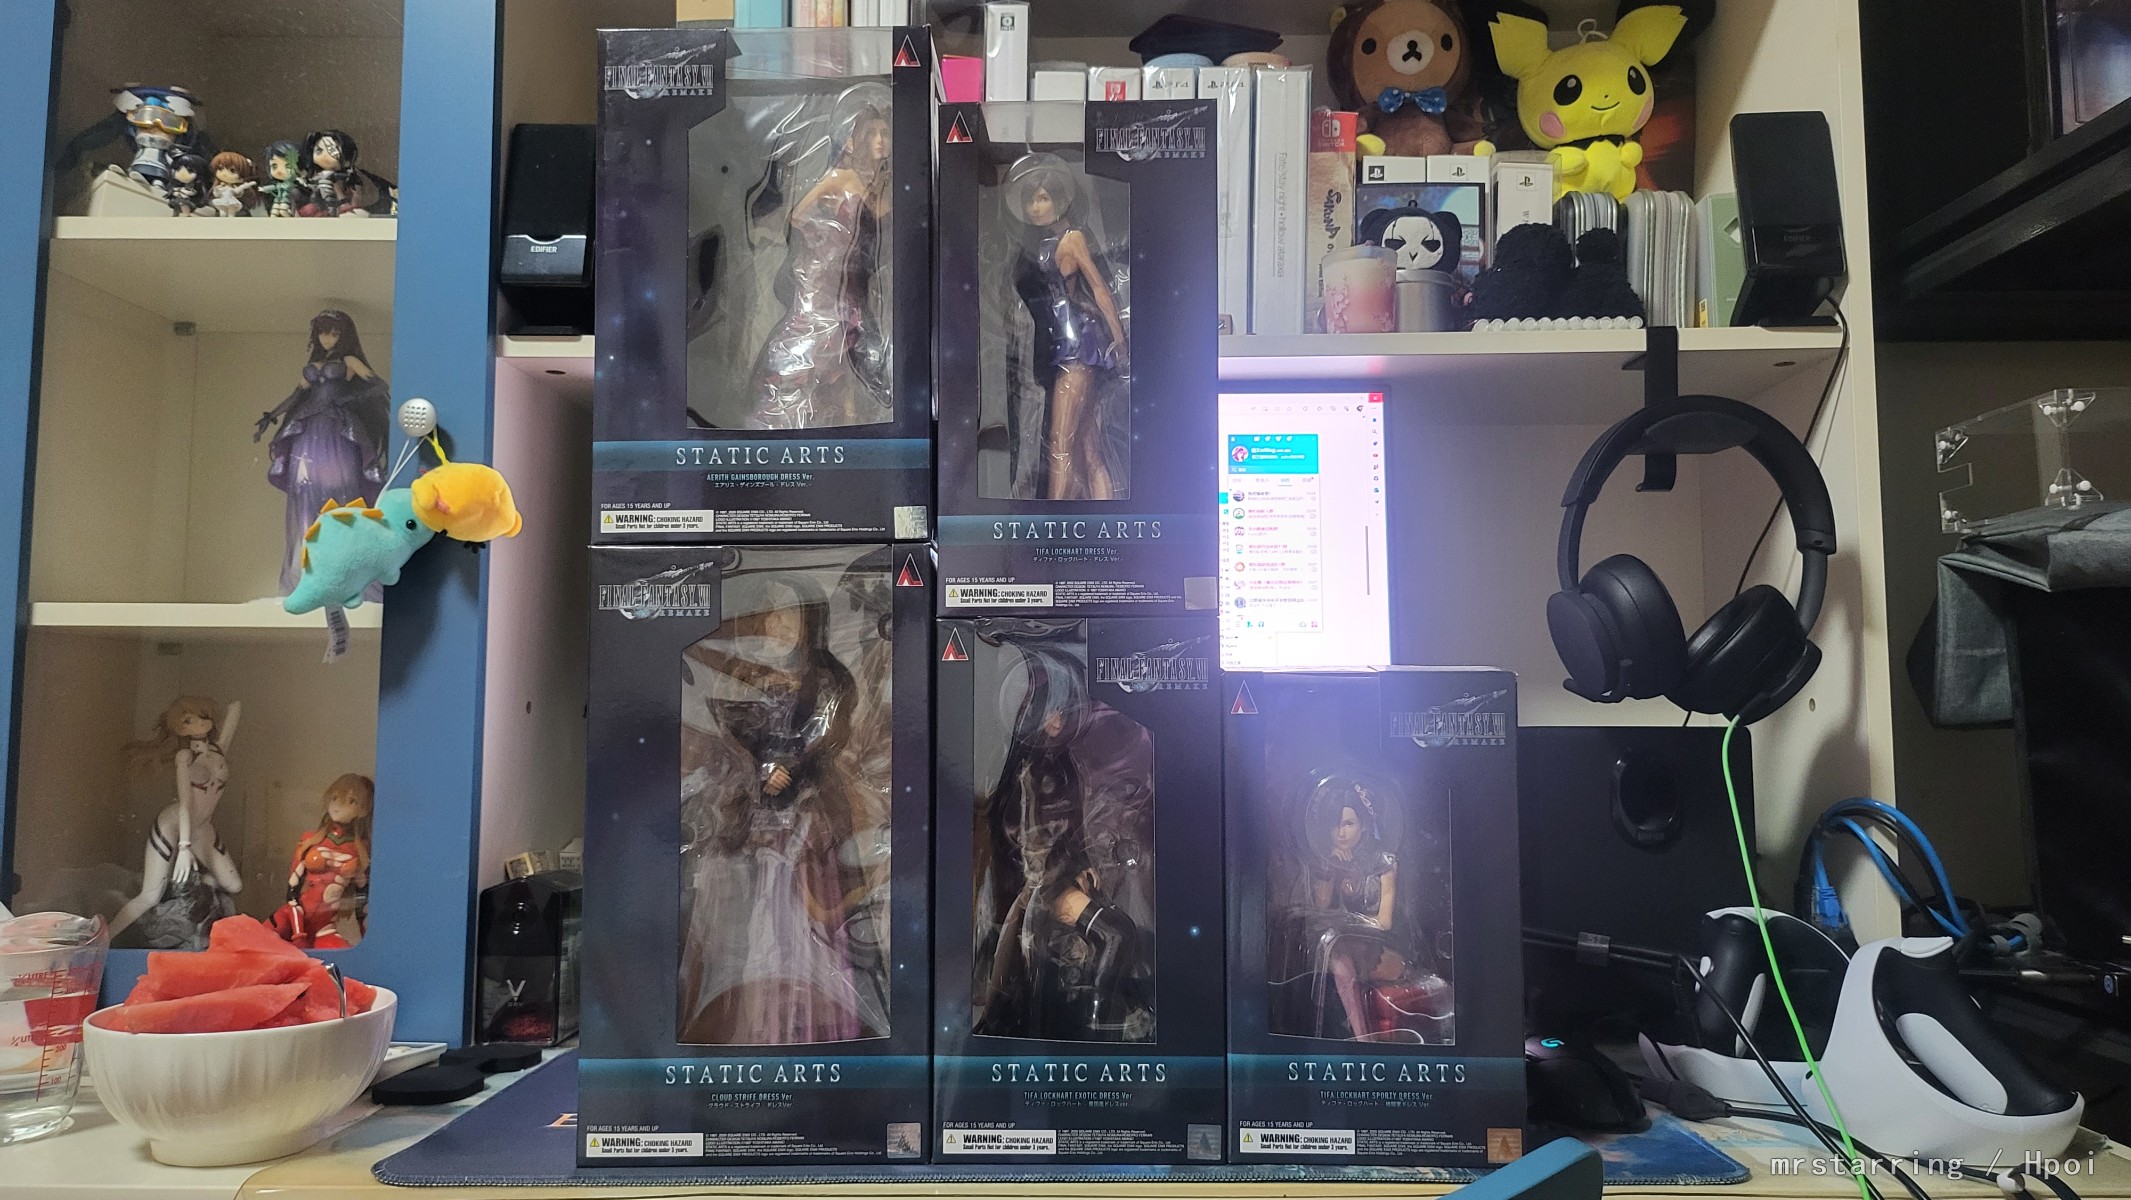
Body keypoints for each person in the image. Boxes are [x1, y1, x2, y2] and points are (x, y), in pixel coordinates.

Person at [677, 575, 888, 1045]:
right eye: (769, 615)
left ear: (808, 621)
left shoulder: (826, 679)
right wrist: (757, 769)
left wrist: (788, 765)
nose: (777, 624)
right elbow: (733, 738)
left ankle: (814, 1021)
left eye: (787, 614)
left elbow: (826, 736)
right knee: (750, 921)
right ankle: (750, 1019)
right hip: (755, 822)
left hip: (809, 820)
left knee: (804, 920)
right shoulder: (744, 678)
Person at [747, 95, 893, 429]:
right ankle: (785, 412)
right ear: (853, 140)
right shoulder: (839, 177)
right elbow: (798, 215)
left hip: (863, 278)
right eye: (872, 133)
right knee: (824, 339)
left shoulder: (880, 184)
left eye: (884, 133)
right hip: (832, 278)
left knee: (854, 348)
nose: (880, 140)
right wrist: (824, 238)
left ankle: (854, 418)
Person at [1006, 156, 1129, 501]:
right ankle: (1103, 513)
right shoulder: (1038, 245)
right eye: (1030, 200)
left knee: (1059, 444)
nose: (1035, 208)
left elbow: (1100, 289)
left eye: (1043, 198)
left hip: (1076, 350)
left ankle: (1054, 515)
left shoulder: (1072, 238)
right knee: (1087, 448)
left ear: (1059, 201)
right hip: (1059, 348)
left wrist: (1119, 342)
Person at [253, 310, 391, 596]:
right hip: (308, 428)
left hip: (337, 429)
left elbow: (378, 385)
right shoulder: (315, 364)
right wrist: (271, 416)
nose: (327, 338)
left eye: (334, 333)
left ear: (344, 336)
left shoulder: (349, 361)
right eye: (323, 332)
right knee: (305, 489)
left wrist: (350, 399)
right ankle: (308, 569)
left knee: (341, 490)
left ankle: (346, 570)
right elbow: (297, 394)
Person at [109, 698, 242, 949]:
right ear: (180, 729)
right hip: (174, 826)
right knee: (151, 895)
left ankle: (200, 900)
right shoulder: (184, 757)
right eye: (188, 720)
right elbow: (185, 804)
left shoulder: (218, 749)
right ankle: (104, 937)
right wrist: (183, 847)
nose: (199, 723)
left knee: (233, 884)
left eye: (202, 716)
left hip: (201, 827)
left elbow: (235, 709)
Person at [270, 773, 373, 949]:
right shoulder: (310, 839)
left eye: (351, 801)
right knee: (259, 943)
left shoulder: (361, 849)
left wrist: (368, 945)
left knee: (340, 957)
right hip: (290, 919)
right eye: (334, 798)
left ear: (363, 809)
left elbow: (362, 903)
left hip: (325, 927)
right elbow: (292, 891)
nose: (338, 806)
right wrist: (297, 931)